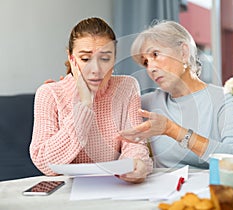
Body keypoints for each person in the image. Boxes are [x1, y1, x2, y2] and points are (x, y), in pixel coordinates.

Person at [30, 17, 153, 183]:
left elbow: (134, 144)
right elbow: (44, 163)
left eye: (104, 59)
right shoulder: (49, 94)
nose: (95, 70)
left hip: (115, 186)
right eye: (85, 59)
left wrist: (137, 164)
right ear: (71, 58)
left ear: (114, 59)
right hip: (68, 192)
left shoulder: (127, 87)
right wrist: (84, 105)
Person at [119, 20, 233, 169]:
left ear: (183, 52)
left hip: (211, 189)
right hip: (163, 190)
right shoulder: (147, 104)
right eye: (145, 63)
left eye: (155, 54)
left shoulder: (224, 99)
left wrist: (172, 130)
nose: (151, 68)